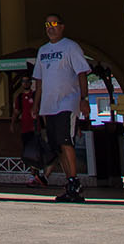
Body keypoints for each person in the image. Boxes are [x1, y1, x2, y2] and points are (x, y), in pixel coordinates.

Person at [30, 13, 92, 202]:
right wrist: (37, 104)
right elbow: (39, 81)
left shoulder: (71, 47)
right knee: (57, 146)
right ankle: (69, 181)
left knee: (66, 142)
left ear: (62, 26)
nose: (51, 27)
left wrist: (84, 98)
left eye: (54, 23)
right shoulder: (42, 51)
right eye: (47, 24)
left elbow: (82, 73)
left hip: (67, 102)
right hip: (49, 105)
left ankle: (74, 183)